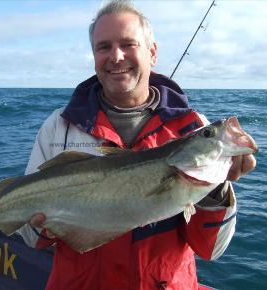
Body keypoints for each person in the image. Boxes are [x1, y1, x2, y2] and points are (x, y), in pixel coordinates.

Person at [18, 1, 256, 289]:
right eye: (104, 47)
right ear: (94, 55)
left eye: (129, 44)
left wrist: (216, 190)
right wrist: (45, 225)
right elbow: (31, 238)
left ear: (152, 52)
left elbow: (211, 250)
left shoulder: (193, 126)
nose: (116, 56)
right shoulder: (59, 126)